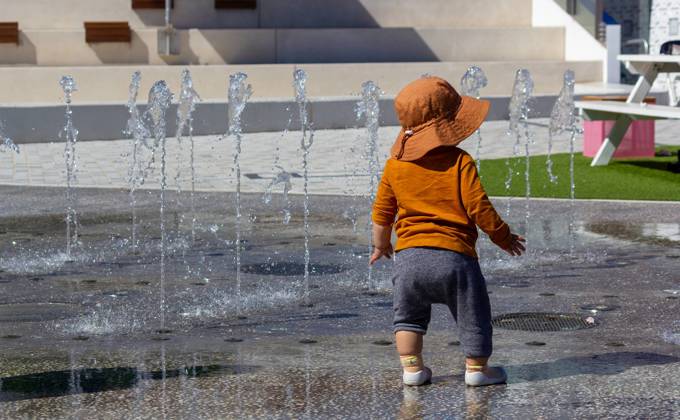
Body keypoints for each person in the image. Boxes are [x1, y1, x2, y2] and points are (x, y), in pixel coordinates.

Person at [369, 76, 525, 387]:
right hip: (455, 260)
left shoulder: (395, 166)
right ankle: (477, 369)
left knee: (408, 318)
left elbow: (382, 213)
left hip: (410, 259)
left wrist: (381, 245)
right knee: (473, 315)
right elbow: (480, 208)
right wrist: (503, 237)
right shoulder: (460, 163)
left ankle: (412, 370)